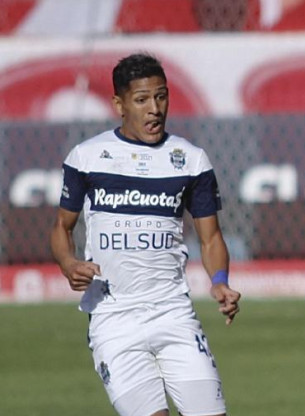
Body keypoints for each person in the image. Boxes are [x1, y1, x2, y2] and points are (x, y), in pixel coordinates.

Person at [50, 53, 241, 416]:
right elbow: (63, 226)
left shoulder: (190, 159)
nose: (154, 109)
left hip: (173, 313)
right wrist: (67, 262)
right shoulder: (87, 158)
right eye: (141, 100)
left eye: (161, 96)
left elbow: (211, 238)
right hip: (113, 317)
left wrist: (219, 280)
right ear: (119, 104)